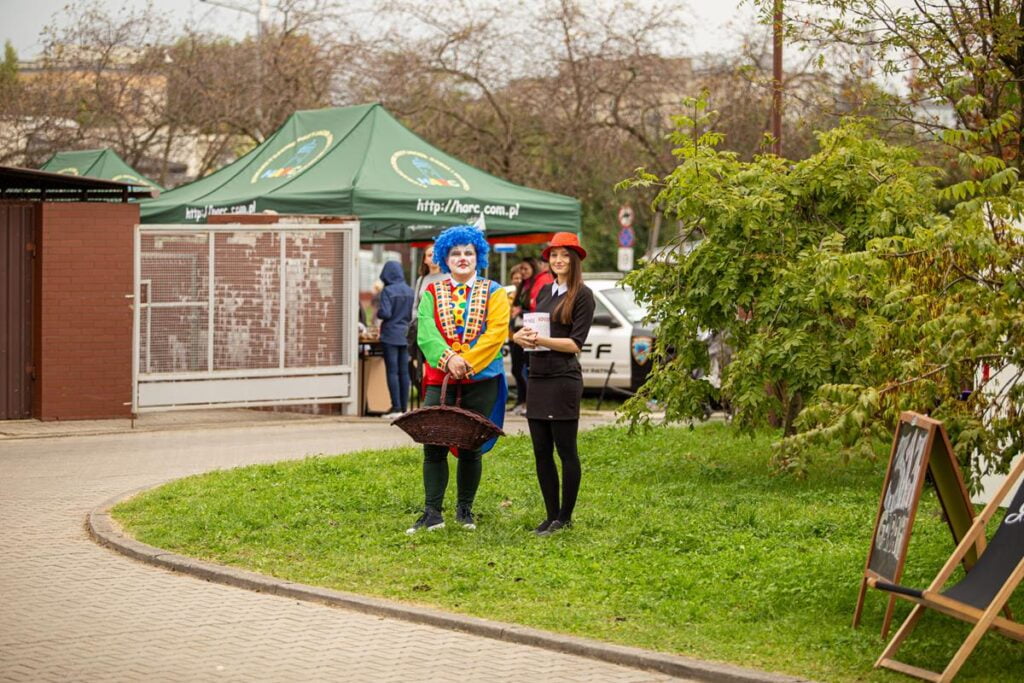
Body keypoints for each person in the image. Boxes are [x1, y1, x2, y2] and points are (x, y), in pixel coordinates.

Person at [407, 225, 510, 534]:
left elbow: (496, 333)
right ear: (445, 258)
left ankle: (465, 510)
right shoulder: (431, 292)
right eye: (455, 253)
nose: (462, 258)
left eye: (468, 252)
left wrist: (468, 362)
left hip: (482, 379)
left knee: (471, 445)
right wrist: (448, 359)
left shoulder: (495, 292)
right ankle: (432, 512)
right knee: (433, 443)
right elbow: (426, 331)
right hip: (440, 378)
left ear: (478, 257)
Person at [512, 233, 595, 536]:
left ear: (575, 260)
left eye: (564, 255)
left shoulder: (583, 295)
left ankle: (565, 517)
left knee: (566, 450)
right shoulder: (545, 291)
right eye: (554, 255)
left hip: (563, 379)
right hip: (537, 376)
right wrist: (519, 337)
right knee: (541, 451)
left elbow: (575, 344)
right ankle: (550, 516)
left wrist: (542, 340)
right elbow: (533, 330)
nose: (558, 260)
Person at [409, 245, 446, 406]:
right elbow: (415, 306)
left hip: (442, 329)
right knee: (421, 366)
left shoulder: (447, 277)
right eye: (430, 255)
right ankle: (426, 396)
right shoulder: (421, 280)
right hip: (423, 328)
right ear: (424, 259)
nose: (433, 258)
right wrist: (415, 324)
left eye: (436, 254)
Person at [376, 261, 414, 419]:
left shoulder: (388, 291)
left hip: (390, 335)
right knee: (404, 371)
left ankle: (396, 407)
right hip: (405, 335)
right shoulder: (410, 291)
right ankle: (404, 408)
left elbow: (385, 313)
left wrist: (378, 312)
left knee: (392, 371)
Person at [509, 259, 538, 415]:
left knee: (526, 370)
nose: (523, 273)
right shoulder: (520, 289)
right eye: (521, 269)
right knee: (516, 369)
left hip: (528, 332)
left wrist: (521, 312)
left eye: (525, 269)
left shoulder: (535, 287)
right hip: (515, 333)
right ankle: (520, 401)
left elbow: (536, 309)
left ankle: (528, 402)